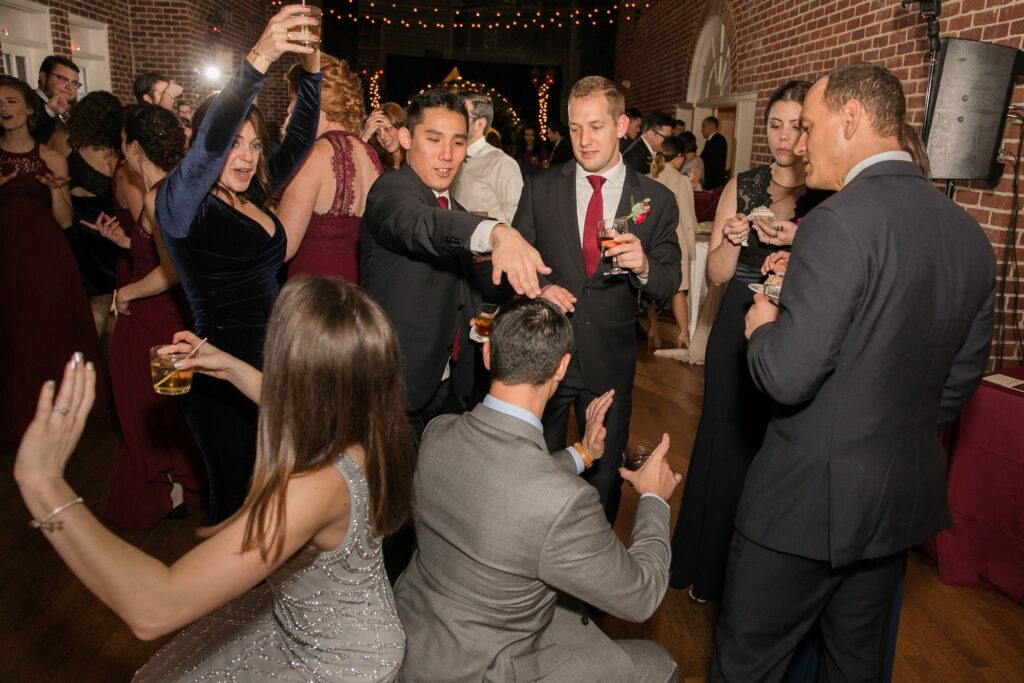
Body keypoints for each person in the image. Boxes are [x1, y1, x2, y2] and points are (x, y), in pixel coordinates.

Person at [710, 63, 996, 681]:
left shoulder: (838, 222)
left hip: (802, 504)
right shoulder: (969, 235)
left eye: (809, 127)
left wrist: (762, 328)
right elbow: (959, 379)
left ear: (851, 118)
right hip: (894, 500)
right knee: (856, 666)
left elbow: (788, 376)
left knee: (747, 665)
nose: (800, 145)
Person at [14, 277, 414, 681]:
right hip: (326, 625)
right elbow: (299, 404)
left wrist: (44, 484)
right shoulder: (368, 429)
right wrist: (228, 366)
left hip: (336, 661)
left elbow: (154, 608)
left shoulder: (312, 491)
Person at [395, 298, 681, 682]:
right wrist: (653, 499)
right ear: (562, 367)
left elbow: (507, 485)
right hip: (485, 670)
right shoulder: (564, 502)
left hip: (415, 642)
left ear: (489, 354)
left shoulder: (438, 433)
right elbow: (642, 595)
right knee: (659, 664)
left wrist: (582, 453)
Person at [156, 5, 322, 523]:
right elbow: (206, 149)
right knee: (237, 512)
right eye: (233, 145)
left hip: (274, 369)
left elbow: (298, 139)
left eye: (253, 144)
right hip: (222, 380)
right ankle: (230, 608)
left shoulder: (249, 194)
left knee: (277, 503)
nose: (246, 156)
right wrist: (260, 59)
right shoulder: (183, 207)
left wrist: (312, 68)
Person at [671, 80, 830, 604]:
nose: (785, 137)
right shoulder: (746, 183)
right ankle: (706, 568)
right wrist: (731, 239)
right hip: (738, 323)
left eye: (795, 125)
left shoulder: (828, 188)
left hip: (798, 325)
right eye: (775, 125)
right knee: (724, 440)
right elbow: (716, 274)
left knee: (774, 449)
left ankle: (756, 581)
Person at [514, 75, 681, 524]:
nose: (584, 141)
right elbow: (516, 263)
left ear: (622, 124)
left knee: (604, 479)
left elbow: (668, 280)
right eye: (574, 128)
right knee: (536, 470)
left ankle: (592, 579)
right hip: (547, 357)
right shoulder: (541, 188)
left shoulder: (656, 201)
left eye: (596, 126)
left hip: (610, 362)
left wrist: (643, 265)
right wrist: (537, 287)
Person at [360, 88, 549, 438]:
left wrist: (540, 288)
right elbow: (424, 226)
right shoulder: (391, 192)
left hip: (444, 379)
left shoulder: (452, 207)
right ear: (405, 137)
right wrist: (495, 231)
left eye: (458, 143)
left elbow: (477, 279)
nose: (447, 155)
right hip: (395, 382)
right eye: (434, 139)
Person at [89, 104, 205, 530]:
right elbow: (155, 250)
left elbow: (174, 269)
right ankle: (175, 481)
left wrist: (127, 292)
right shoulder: (169, 187)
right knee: (158, 407)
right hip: (158, 314)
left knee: (145, 407)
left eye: (123, 140)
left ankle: (167, 487)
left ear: (135, 146)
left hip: (153, 315)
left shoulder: (158, 197)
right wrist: (124, 239)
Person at [0, 75, 104, 443]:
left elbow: (63, 220)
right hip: (5, 254)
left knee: (43, 329)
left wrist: (57, 192)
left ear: (29, 107)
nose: (4, 108)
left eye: (11, 101)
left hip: (44, 253)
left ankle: (53, 414)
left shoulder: (52, 157)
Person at [279, 53, 382, 283]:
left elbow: (283, 247)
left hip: (313, 293)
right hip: (356, 290)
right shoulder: (370, 155)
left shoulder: (315, 155)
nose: (288, 110)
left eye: (293, 101)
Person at [50, 91, 123, 336]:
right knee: (100, 306)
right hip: (101, 235)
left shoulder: (61, 141)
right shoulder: (112, 155)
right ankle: (91, 359)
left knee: (66, 303)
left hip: (67, 231)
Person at [647, 135, 697, 348]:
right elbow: (686, 219)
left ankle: (653, 331)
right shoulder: (680, 180)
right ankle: (683, 335)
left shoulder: (648, 176)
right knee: (678, 289)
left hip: (650, 240)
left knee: (650, 288)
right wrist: (691, 249)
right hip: (674, 242)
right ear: (679, 158)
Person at [450, 91, 524, 225]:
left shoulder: (501, 163)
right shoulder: (448, 156)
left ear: (480, 124)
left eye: (462, 115)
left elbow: (519, 216)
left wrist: (488, 218)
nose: (454, 119)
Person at [33, 55, 79, 144]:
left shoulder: (77, 111)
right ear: (43, 77)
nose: (69, 87)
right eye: (63, 79)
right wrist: (49, 111)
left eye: (74, 83)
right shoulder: (25, 101)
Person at [362, 101, 406, 171]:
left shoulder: (415, 159)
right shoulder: (377, 163)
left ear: (402, 127)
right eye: (377, 133)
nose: (382, 137)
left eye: (387, 129)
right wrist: (365, 137)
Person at [699, 115, 727, 189]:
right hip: (710, 182)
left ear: (712, 126)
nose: (702, 129)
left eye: (704, 126)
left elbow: (711, 163)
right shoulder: (711, 140)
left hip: (713, 183)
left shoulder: (719, 140)